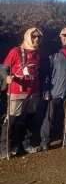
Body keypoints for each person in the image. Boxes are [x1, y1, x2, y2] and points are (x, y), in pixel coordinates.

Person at [0, 28, 44, 159]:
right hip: (16, 91)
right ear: (27, 37)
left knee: (30, 119)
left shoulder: (38, 53)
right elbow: (4, 67)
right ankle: (4, 149)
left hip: (33, 91)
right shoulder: (16, 51)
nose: (36, 39)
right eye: (34, 36)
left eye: (39, 37)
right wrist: (6, 77)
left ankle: (26, 144)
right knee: (12, 120)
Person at [41, 27, 66, 150]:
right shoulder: (53, 52)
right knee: (50, 116)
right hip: (55, 90)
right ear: (60, 36)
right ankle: (45, 140)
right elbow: (47, 73)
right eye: (65, 35)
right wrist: (46, 90)